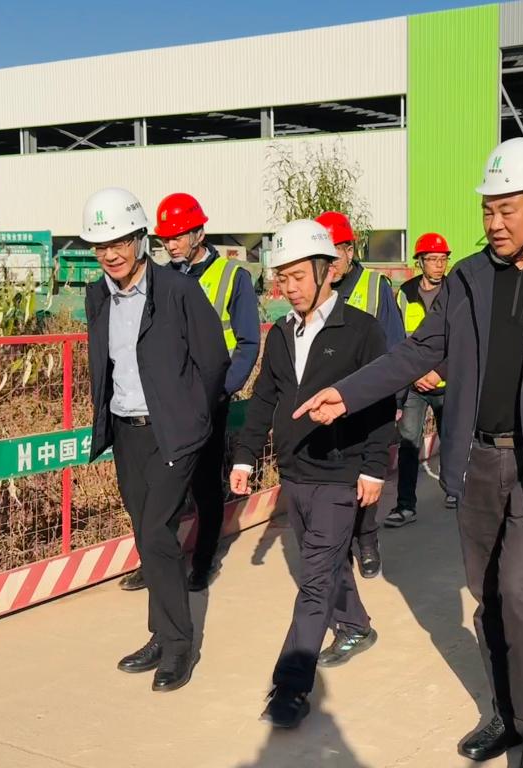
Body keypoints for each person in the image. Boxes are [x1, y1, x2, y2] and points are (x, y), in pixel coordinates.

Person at [295, 137, 523, 768]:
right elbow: (419, 350)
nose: (495, 222)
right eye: (488, 210)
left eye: (508, 209)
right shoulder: (470, 278)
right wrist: (348, 391)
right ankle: (504, 712)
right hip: (476, 460)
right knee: (487, 594)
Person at [230, 219, 394, 729]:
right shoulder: (282, 333)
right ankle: (357, 625)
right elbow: (264, 399)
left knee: (314, 581)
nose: (290, 287)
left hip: (341, 472)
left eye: (299, 275)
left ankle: (290, 686)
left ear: (327, 270)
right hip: (295, 471)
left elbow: (381, 405)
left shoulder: (362, 330)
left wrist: (374, 468)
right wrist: (244, 457)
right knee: (326, 562)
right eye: (282, 277)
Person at [83, 187, 228, 692]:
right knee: (147, 535)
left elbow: (214, 360)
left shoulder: (177, 291)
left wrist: (190, 416)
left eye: (120, 241)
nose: (111, 254)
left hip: (173, 433)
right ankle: (160, 634)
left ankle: (179, 645)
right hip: (126, 432)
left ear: (141, 238)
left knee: (157, 532)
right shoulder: (98, 295)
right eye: (101, 246)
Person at [117, 192, 260, 593]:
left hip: (207, 400)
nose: (171, 244)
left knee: (203, 483)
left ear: (200, 233)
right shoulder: (158, 278)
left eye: (178, 236)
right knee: (157, 488)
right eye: (165, 238)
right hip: (164, 401)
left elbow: (248, 342)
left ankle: (203, 559)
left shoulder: (232, 277)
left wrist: (221, 390)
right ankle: (156, 561)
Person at [315, 210, 405, 579]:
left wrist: (396, 400)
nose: (328, 264)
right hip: (326, 400)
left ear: (350, 251)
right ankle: (339, 543)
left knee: (367, 473)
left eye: (334, 254)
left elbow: (396, 345)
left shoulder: (375, 286)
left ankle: (367, 539)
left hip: (368, 398)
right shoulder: (314, 288)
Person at [387, 231, 454, 528]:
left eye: (443, 259)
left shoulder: (455, 292)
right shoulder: (405, 293)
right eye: (433, 259)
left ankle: (454, 489)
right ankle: (405, 506)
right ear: (420, 262)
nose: (439, 265)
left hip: (447, 382)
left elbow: (459, 341)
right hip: (414, 385)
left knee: (451, 438)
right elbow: (401, 340)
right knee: (408, 443)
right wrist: (412, 376)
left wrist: (438, 372)